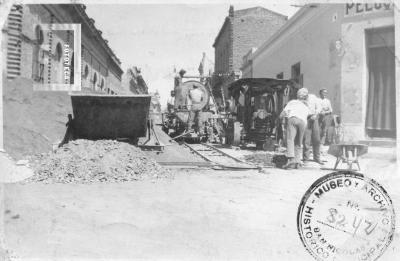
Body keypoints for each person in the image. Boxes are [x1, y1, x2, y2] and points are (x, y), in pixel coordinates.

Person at [279, 88, 310, 169]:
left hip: (293, 119)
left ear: (297, 95)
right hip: (303, 122)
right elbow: (310, 115)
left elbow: (283, 113)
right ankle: (297, 162)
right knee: (298, 142)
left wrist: (279, 119)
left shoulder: (292, 102)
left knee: (290, 140)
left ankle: (290, 160)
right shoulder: (306, 105)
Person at [303, 90, 323, 164]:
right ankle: (306, 159)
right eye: (303, 96)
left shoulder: (313, 97)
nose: (304, 97)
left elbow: (319, 107)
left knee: (317, 139)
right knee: (306, 140)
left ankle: (317, 158)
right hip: (306, 119)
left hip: (314, 118)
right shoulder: (300, 100)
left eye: (305, 95)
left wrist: (315, 114)